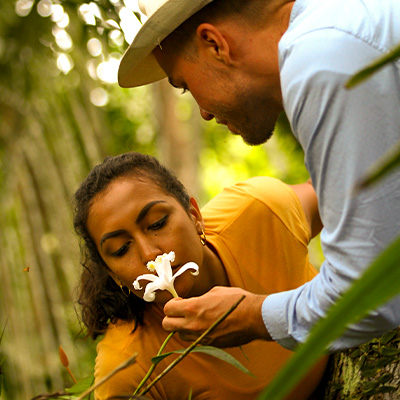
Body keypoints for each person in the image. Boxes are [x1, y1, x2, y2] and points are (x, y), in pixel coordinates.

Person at [117, 0, 400, 352]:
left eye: (186, 85)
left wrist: (253, 315)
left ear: (214, 44)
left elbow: (375, 289)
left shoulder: (321, 63)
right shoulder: (339, 21)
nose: (203, 113)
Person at [73, 151, 327, 400]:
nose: (150, 254)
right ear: (114, 276)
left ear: (194, 215)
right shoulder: (128, 367)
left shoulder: (259, 211)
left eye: (157, 223)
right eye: (121, 249)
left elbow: (343, 195)